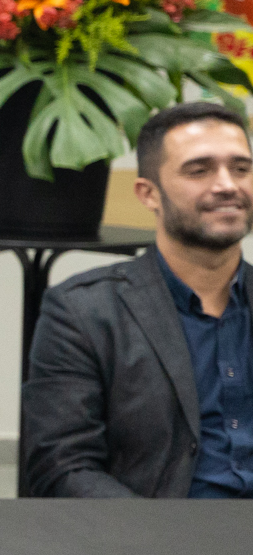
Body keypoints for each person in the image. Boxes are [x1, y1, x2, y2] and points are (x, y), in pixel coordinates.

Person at [24, 100, 253, 498]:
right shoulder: (84, 312)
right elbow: (62, 465)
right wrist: (152, 530)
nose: (227, 185)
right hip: (151, 531)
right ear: (149, 194)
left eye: (241, 169)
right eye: (199, 170)